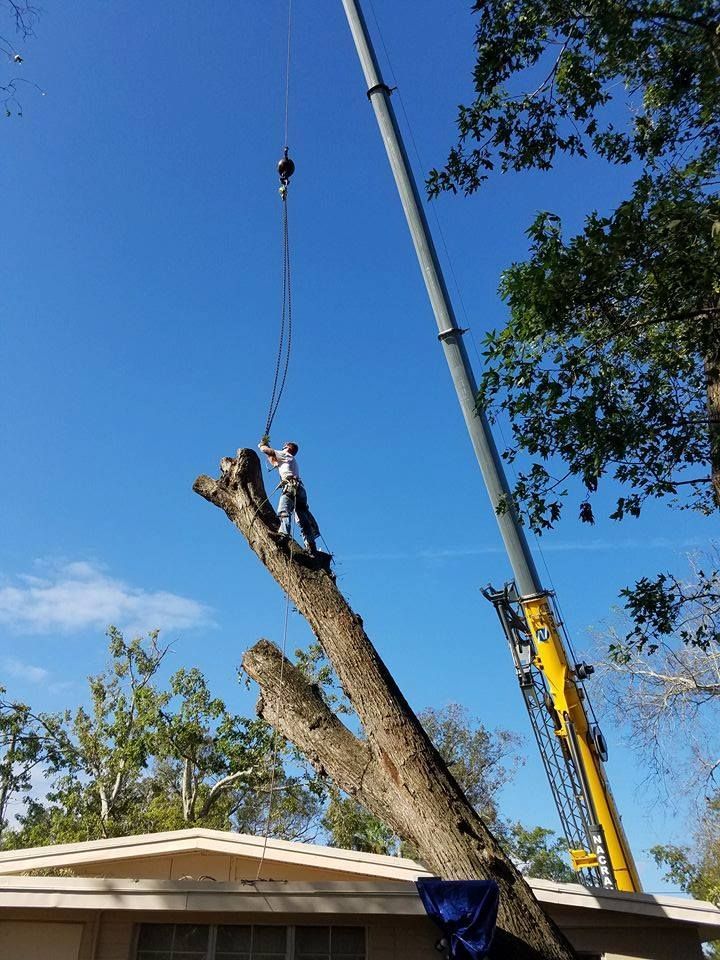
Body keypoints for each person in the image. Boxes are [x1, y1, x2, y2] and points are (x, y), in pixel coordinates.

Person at [258, 440, 320, 554]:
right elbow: (274, 461)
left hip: (291, 488)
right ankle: (311, 545)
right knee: (303, 520)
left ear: (287, 447)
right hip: (300, 490)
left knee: (283, 511)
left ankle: (283, 535)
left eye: (283, 447)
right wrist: (268, 449)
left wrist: (262, 445)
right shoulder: (289, 459)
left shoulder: (285, 454)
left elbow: (266, 450)